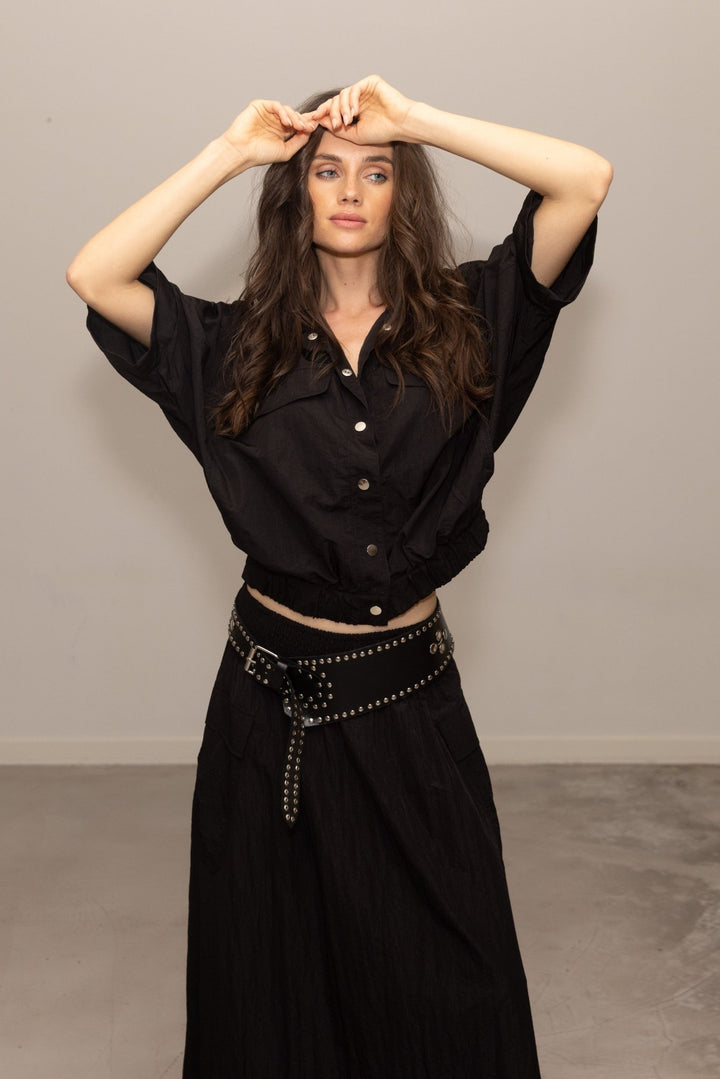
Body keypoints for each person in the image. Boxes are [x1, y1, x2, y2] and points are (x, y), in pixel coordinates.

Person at [67, 75, 612, 1078]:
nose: (351, 190)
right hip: (266, 716)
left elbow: (585, 180)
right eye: (328, 170)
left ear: (404, 195)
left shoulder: (476, 320)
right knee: (269, 997)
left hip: (407, 708)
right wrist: (232, 152)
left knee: (455, 993)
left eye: (376, 173)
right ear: (297, 192)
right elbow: (96, 274)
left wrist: (415, 124)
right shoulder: (228, 346)